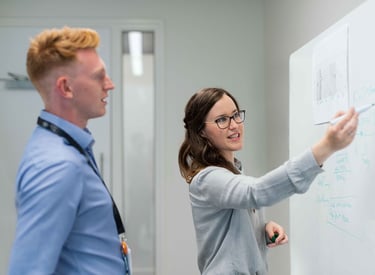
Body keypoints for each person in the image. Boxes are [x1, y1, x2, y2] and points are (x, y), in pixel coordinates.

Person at [178, 87, 358, 275]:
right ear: (202, 131)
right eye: (222, 120)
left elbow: (231, 228)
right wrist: (326, 147)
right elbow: (255, 192)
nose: (234, 125)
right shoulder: (207, 179)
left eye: (235, 115)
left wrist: (260, 229)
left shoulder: (235, 171)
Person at [8, 27, 129, 274]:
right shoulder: (57, 165)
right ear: (66, 88)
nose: (110, 85)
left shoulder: (67, 147)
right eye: (99, 76)